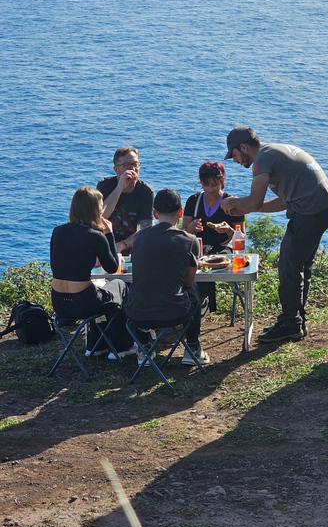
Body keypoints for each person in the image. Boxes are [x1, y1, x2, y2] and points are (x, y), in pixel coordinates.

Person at [221, 126, 328, 344]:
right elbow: (284, 200)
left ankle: (291, 324)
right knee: (299, 265)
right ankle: (296, 321)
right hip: (320, 206)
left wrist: (233, 203)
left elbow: (254, 201)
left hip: (310, 209)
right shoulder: (274, 152)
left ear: (244, 147)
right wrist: (245, 208)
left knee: (288, 266)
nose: (235, 161)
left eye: (234, 155)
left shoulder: (262, 160)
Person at [125, 189, 209, 366]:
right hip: (174, 312)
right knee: (194, 288)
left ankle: (145, 347)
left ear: (154, 213)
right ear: (180, 212)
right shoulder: (189, 240)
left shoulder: (139, 237)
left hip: (138, 313)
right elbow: (188, 281)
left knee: (139, 290)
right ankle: (192, 347)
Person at [50, 186, 136, 358]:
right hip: (84, 302)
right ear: (95, 209)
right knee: (120, 286)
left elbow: (57, 265)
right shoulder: (95, 235)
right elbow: (112, 268)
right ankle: (122, 345)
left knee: (101, 293)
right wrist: (109, 234)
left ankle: (97, 345)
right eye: (101, 206)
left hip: (59, 302)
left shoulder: (58, 231)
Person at [182, 161, 245, 314]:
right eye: (206, 185)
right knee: (192, 262)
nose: (210, 189)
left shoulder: (232, 202)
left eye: (214, 184)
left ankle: (202, 300)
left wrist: (229, 230)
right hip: (198, 246)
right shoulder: (193, 201)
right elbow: (183, 232)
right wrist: (190, 228)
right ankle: (197, 300)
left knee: (209, 264)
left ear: (222, 181)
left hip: (223, 247)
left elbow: (241, 236)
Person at [96, 146, 154, 254]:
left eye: (135, 164)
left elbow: (145, 230)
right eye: (126, 165)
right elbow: (99, 218)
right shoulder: (105, 185)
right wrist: (119, 188)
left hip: (132, 245)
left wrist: (122, 245)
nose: (132, 169)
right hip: (105, 243)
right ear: (116, 169)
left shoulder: (145, 191)